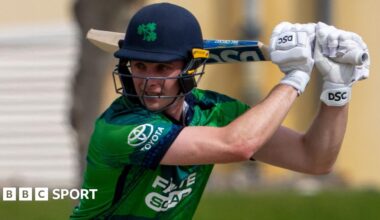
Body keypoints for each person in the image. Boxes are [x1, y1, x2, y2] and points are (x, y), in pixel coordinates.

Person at [70, 3, 370, 219]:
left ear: (191, 68)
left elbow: (313, 159)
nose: (149, 81)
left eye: (163, 67)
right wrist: (296, 76)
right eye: (139, 66)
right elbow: (238, 144)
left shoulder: (214, 110)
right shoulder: (119, 128)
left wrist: (336, 89)